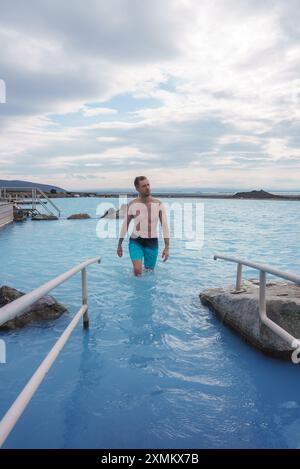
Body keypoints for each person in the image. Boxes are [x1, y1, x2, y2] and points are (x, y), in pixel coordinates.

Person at [117, 176, 170, 276]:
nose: (147, 187)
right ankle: (136, 290)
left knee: (149, 271)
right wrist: (119, 244)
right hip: (136, 241)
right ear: (137, 188)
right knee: (137, 270)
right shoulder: (132, 204)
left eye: (148, 185)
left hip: (152, 242)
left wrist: (167, 247)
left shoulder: (158, 204)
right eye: (144, 186)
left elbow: (165, 226)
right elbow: (125, 225)